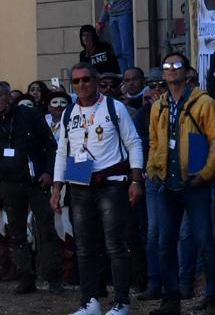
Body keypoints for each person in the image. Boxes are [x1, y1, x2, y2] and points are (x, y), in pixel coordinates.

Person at [51, 63, 144, 315]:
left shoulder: (114, 108)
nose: (81, 85)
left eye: (86, 80)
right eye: (76, 81)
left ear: (96, 80)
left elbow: (133, 142)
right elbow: (63, 151)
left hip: (111, 183)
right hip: (80, 182)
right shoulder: (69, 113)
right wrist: (57, 187)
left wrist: (136, 180)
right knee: (84, 246)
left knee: (114, 244)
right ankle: (89, 301)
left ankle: (121, 302)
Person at [147, 51, 215, 315]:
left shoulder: (204, 103)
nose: (171, 69)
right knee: (165, 243)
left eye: (176, 65)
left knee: (205, 241)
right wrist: (151, 169)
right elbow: (154, 141)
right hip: (165, 184)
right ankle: (171, 299)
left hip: (195, 183)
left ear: (186, 70)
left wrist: (205, 173)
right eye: (166, 66)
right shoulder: (158, 105)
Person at [0, 81, 62, 294]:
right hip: (9, 184)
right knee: (16, 233)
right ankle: (26, 277)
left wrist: (49, 172)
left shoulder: (30, 116)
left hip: (36, 181)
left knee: (46, 229)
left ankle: (53, 277)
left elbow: (50, 145)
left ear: (9, 97)